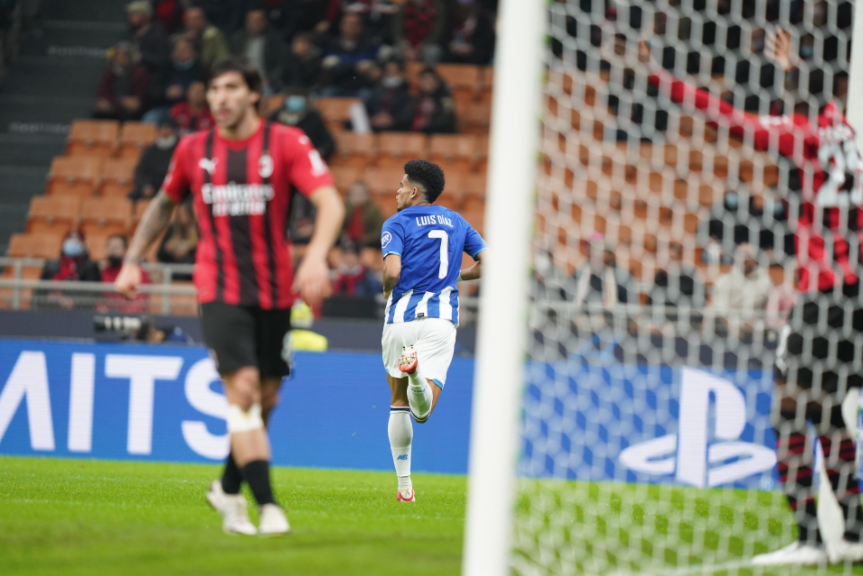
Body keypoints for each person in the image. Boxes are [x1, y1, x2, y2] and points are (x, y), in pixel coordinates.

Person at [641, 34, 863, 564]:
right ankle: (854, 534)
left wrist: (663, 80)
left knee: (789, 410)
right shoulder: (845, 131)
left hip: (824, 293)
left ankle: (810, 539)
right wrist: (793, 66)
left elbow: (729, 118)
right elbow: (809, 93)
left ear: (797, 99)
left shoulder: (799, 133)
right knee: (827, 412)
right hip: (856, 291)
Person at [115, 56, 345, 536]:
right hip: (218, 286)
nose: (221, 97)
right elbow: (163, 204)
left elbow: (329, 201)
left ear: (253, 93)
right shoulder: (192, 149)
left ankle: (225, 486)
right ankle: (268, 507)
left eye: (232, 87)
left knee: (266, 398)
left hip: (276, 290)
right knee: (242, 390)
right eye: (215, 88)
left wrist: (316, 256)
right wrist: (133, 258)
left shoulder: (286, 142)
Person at [380, 159, 486, 502]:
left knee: (398, 404)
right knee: (422, 413)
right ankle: (416, 374)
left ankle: (404, 488)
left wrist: (386, 288)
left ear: (413, 191)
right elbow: (490, 262)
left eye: (401, 185)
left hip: (400, 319)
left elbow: (392, 270)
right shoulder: (457, 221)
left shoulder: (396, 223)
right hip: (439, 320)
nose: (397, 191)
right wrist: (457, 276)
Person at [709, 243, 772, 338]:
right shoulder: (724, 281)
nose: (745, 259)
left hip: (755, 327)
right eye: (741, 255)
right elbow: (720, 309)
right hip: (727, 327)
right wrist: (735, 325)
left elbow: (772, 307)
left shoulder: (765, 282)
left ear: (755, 259)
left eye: (748, 256)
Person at [34, 228, 101, 311]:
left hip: (79, 312)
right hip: (51, 310)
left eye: (77, 239)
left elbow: (92, 294)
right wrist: (57, 302)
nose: (73, 241)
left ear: (84, 245)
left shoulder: (90, 267)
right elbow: (40, 292)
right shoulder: (50, 265)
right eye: (70, 238)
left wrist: (75, 302)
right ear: (63, 243)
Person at [319, 13, 379, 97]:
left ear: (361, 27)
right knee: (326, 93)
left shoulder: (369, 45)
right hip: (337, 85)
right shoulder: (333, 44)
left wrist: (343, 64)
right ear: (341, 26)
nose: (351, 27)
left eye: (355, 24)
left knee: (368, 95)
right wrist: (356, 67)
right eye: (349, 24)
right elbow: (331, 69)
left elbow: (374, 70)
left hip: (361, 87)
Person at [230, 8, 285, 94]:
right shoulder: (237, 39)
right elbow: (232, 61)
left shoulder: (273, 40)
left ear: (265, 22)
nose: (255, 23)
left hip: (267, 82)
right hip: (242, 79)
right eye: (252, 20)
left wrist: (270, 80)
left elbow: (279, 64)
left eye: (259, 20)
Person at [269, 90, 335, 160]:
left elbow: (327, 143)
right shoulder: (275, 116)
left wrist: (317, 153)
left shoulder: (312, 118)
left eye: (299, 98)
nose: (295, 101)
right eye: (293, 97)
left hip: (304, 157)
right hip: (277, 157)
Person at [94, 42, 149, 121]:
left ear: (130, 56)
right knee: (99, 112)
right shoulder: (110, 72)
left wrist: (130, 102)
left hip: (133, 112)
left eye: (123, 55)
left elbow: (138, 100)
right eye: (117, 55)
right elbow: (102, 94)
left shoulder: (140, 72)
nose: (119, 58)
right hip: (113, 107)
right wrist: (120, 101)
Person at [97, 235, 150, 314]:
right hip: (106, 314)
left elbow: (140, 300)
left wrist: (124, 313)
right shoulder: (103, 271)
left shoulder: (136, 271)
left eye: (116, 247)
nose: (112, 250)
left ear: (125, 250)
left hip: (129, 315)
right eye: (110, 247)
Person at [130, 118, 179, 202]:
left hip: (173, 186)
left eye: (168, 128)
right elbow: (139, 171)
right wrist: (145, 186)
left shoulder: (179, 148)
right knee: (132, 197)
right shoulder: (151, 150)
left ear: (173, 130)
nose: (165, 131)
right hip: (153, 186)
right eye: (162, 128)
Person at [364, 59, 413, 132]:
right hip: (374, 124)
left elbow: (407, 113)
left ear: (400, 72)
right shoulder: (377, 88)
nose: (391, 73)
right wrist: (374, 118)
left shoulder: (406, 91)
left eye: (394, 70)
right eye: (388, 70)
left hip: (396, 127)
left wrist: (392, 120)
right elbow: (369, 105)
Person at [392, 0, 446, 65]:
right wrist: (404, 45)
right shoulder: (404, 6)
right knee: (395, 51)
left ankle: (428, 71)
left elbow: (437, 30)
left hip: (426, 44)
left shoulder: (436, 6)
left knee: (432, 52)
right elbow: (397, 30)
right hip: (406, 45)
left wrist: (423, 45)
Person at [125, 0, 169, 73]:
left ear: (146, 15)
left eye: (135, 14)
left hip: (152, 72)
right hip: (133, 69)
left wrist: (142, 57)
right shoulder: (133, 32)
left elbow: (162, 59)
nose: (131, 17)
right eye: (131, 14)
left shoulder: (158, 34)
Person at [408, 67, 456, 134]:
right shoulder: (416, 97)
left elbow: (447, 116)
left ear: (436, 81)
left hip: (440, 135)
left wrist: (429, 123)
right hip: (417, 135)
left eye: (430, 79)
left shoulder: (445, 97)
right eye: (424, 79)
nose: (427, 82)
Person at [156, 201, 198, 276]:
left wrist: (189, 250)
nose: (183, 217)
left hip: (191, 273)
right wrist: (168, 249)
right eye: (180, 214)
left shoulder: (197, 229)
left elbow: (202, 253)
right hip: (173, 272)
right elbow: (160, 254)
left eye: (185, 213)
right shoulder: (172, 229)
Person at [343, 180, 385, 248]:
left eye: (360, 193)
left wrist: (364, 239)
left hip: (368, 243)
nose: (357, 196)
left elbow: (379, 231)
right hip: (347, 242)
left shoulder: (373, 210)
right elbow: (339, 227)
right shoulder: (345, 208)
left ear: (366, 194)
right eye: (354, 193)